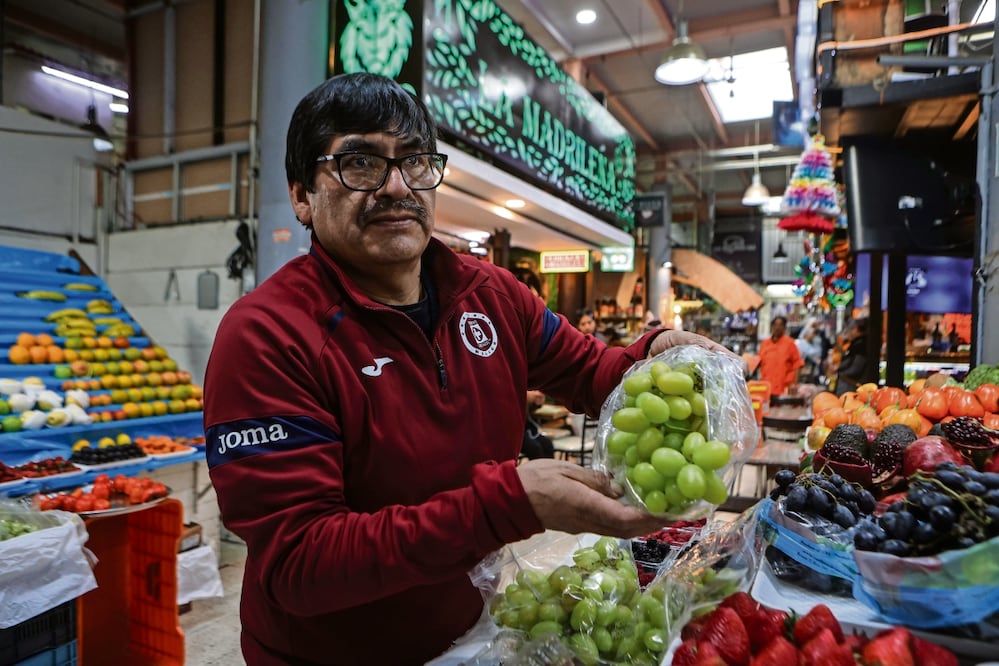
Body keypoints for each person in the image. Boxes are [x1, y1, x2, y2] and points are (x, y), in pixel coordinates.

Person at [202, 72, 732, 665]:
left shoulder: (493, 295)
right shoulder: (267, 336)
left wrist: (653, 355)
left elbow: (592, 371)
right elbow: (299, 564)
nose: (395, 186)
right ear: (301, 195)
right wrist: (504, 504)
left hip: (468, 636)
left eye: (415, 162)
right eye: (359, 163)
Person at [757, 315, 804, 395]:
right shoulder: (764, 344)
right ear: (771, 327)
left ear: (784, 328)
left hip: (785, 388)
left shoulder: (790, 344)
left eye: (780, 325)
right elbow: (758, 363)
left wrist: (794, 384)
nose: (777, 327)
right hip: (767, 388)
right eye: (775, 325)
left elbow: (797, 364)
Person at [835, 318, 873, 396]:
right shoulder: (859, 343)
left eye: (850, 330)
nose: (848, 333)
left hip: (852, 385)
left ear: (856, 329)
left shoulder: (860, 345)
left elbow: (856, 367)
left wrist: (842, 372)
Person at [522, 390, 555, 460]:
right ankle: (538, 470)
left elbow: (531, 411)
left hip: (528, 430)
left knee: (547, 444)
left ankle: (550, 470)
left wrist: (537, 403)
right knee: (535, 447)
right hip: (515, 433)